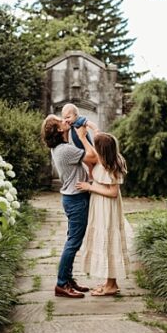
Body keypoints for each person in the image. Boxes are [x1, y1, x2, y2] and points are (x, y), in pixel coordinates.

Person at [41, 114, 98, 298]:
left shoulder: (62, 148)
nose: (65, 121)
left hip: (72, 198)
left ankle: (68, 279)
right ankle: (61, 284)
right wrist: (82, 136)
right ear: (58, 130)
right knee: (73, 243)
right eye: (60, 121)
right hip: (76, 199)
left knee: (72, 240)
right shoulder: (64, 150)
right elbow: (93, 157)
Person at [75, 132, 131, 296]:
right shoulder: (104, 160)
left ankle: (112, 286)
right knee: (105, 242)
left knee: (109, 241)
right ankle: (109, 282)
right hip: (100, 205)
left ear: (102, 151)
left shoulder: (112, 166)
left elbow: (113, 192)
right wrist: (84, 136)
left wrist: (89, 187)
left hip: (108, 207)